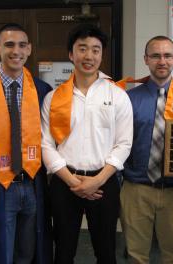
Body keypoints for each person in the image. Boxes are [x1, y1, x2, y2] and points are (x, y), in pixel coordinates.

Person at [41, 23, 133, 263]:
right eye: (82, 49)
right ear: (71, 54)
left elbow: (124, 143)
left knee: (106, 251)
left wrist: (97, 180)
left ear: (102, 55)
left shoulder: (117, 95)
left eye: (95, 49)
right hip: (64, 183)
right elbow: (46, 144)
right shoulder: (54, 97)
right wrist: (73, 182)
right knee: (63, 251)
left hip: (104, 182)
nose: (89, 56)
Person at [120, 36, 173, 264]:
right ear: (146, 59)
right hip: (136, 190)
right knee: (136, 255)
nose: (162, 61)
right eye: (156, 55)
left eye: (168, 55)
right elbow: (117, 143)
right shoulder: (128, 99)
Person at [0, 23, 52, 264]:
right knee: (1, 251)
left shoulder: (41, 90)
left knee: (27, 252)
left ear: (29, 49)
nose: (15, 51)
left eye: (21, 45)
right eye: (9, 44)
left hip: (32, 184)